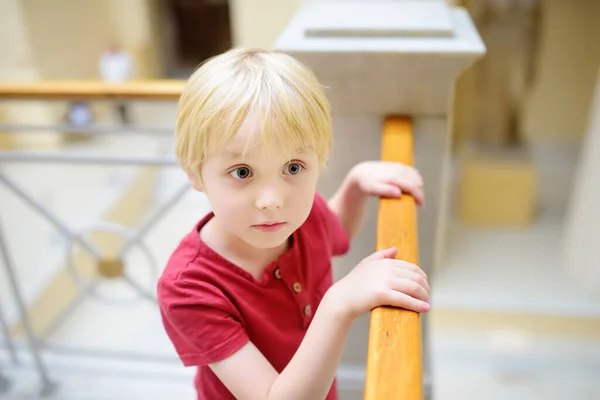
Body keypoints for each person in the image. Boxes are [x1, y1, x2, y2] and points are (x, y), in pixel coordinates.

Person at [157, 48, 430, 400]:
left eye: (293, 167)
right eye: (242, 172)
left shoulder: (304, 215)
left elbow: (337, 233)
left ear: (320, 158)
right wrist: (338, 305)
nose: (272, 199)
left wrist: (355, 186)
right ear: (195, 172)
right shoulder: (189, 288)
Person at [99, 43, 133, 124]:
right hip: (110, 84)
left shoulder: (124, 57)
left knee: (125, 104)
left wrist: (126, 81)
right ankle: (118, 121)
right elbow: (103, 72)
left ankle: (126, 120)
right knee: (114, 105)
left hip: (123, 83)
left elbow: (129, 70)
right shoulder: (105, 57)